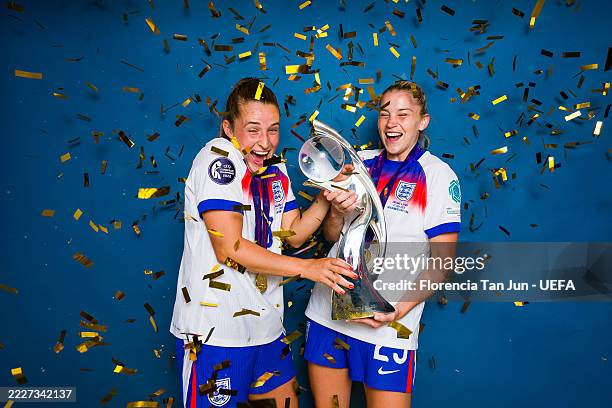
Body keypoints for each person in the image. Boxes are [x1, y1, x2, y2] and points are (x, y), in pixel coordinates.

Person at [170, 77, 356, 408]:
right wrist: (308, 267)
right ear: (228, 127)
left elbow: (294, 233)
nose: (265, 142)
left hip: (267, 331)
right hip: (216, 334)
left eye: (273, 130)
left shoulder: (275, 173)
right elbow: (230, 248)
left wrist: (329, 192)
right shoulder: (219, 160)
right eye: (253, 129)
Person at [304, 80, 461, 407]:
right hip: (327, 315)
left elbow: (443, 261)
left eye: (404, 114)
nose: (392, 123)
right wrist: (335, 209)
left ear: (422, 121)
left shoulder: (437, 176)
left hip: (389, 329)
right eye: (385, 114)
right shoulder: (358, 163)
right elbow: (333, 235)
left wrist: (397, 311)